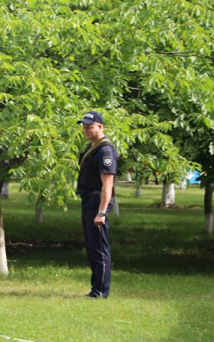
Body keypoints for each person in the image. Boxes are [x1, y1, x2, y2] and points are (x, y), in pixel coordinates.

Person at [76, 111, 118, 299]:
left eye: (89, 126)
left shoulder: (104, 150)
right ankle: (96, 289)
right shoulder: (92, 147)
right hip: (88, 200)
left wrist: (101, 212)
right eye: (84, 126)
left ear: (100, 127)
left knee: (99, 248)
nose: (86, 129)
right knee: (92, 247)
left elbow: (107, 184)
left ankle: (100, 291)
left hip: (96, 200)